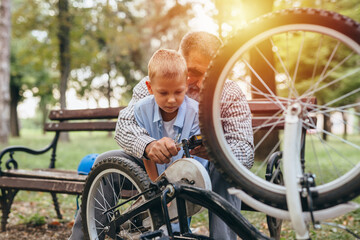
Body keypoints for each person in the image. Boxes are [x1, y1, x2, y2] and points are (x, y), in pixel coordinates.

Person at [69, 31, 254, 240]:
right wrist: (149, 146)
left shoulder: (230, 94)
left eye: (213, 74)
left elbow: (245, 153)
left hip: (203, 175)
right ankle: (83, 237)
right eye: (195, 72)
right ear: (179, 61)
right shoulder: (153, 84)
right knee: (106, 161)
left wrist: (216, 152)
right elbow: (124, 126)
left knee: (227, 169)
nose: (203, 84)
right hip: (154, 170)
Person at [134, 48, 208, 180]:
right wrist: (156, 188)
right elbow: (147, 155)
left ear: (186, 85)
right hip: (157, 176)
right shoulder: (142, 109)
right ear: (150, 87)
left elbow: (191, 161)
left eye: (178, 92)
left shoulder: (197, 113)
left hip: (191, 179)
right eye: (163, 93)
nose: (171, 100)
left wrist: (172, 198)